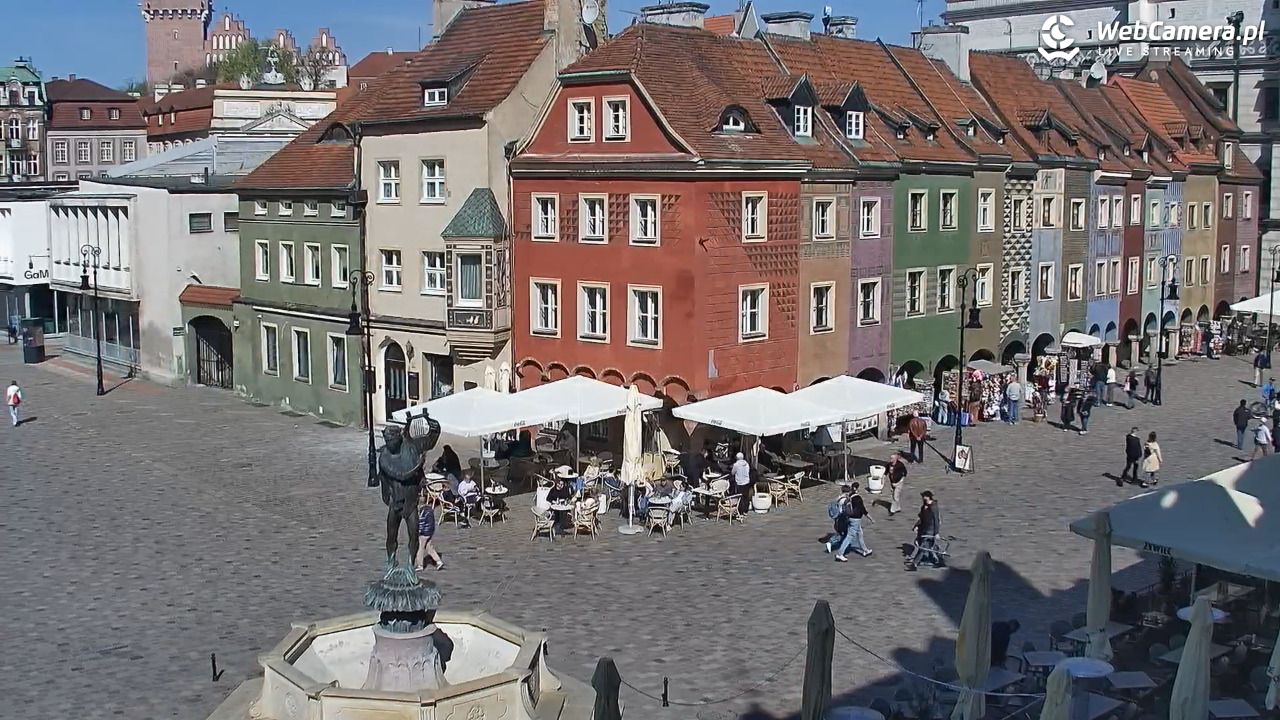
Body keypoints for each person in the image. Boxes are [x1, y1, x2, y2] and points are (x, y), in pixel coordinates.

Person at [827, 482, 872, 561]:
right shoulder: (846, 500)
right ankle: (839, 553)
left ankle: (865, 550)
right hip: (849, 519)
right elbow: (852, 510)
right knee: (848, 536)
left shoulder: (840, 498)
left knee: (859, 533)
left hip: (844, 519)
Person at [906, 491, 942, 571]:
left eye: (924, 496)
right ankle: (938, 561)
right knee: (929, 547)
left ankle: (914, 564)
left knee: (923, 547)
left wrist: (936, 532)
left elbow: (936, 520)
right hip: (924, 529)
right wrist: (916, 526)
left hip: (930, 529)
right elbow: (921, 518)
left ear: (928, 497)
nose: (922, 498)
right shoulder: (924, 506)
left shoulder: (934, 507)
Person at [414, 497, 444, 571]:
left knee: (420, 548)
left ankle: (420, 565)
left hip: (424, 533)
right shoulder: (430, 510)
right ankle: (438, 561)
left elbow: (421, 523)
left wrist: (419, 532)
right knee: (429, 548)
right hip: (429, 532)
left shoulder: (422, 512)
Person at [887, 452, 908, 516]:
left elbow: (905, 474)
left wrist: (899, 482)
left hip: (899, 482)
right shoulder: (889, 464)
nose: (890, 459)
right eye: (890, 458)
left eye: (892, 458)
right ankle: (898, 508)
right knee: (894, 496)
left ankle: (892, 510)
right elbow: (886, 471)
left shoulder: (900, 465)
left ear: (895, 459)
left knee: (895, 496)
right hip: (892, 482)